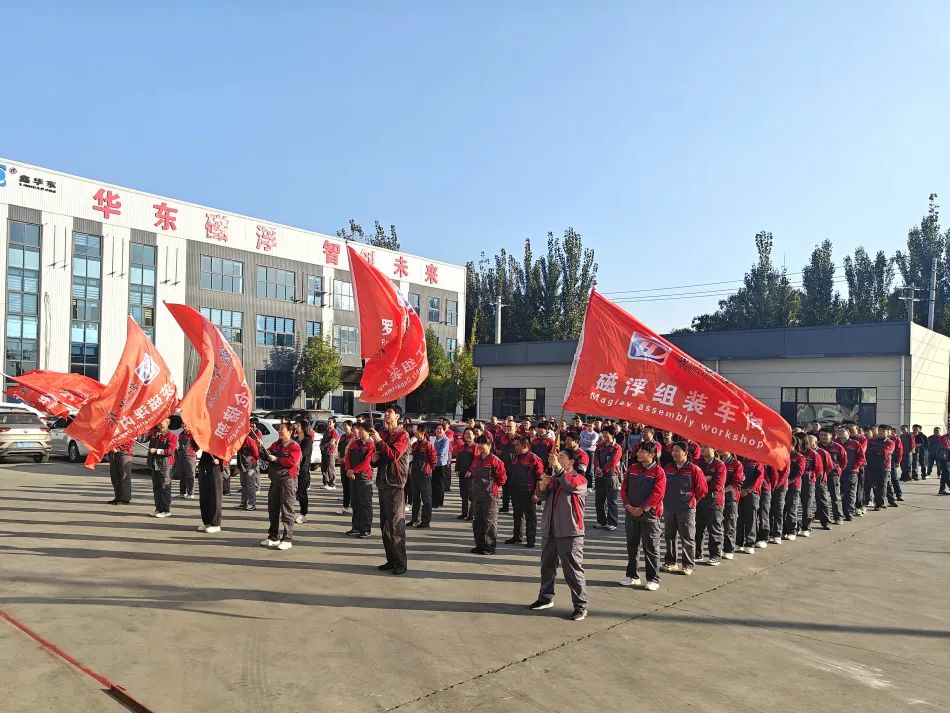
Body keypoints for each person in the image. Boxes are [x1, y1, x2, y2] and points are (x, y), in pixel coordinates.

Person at [529, 447, 589, 621]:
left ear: (571, 462)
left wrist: (558, 469)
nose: (556, 458)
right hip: (550, 529)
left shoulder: (579, 479)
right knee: (547, 566)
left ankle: (580, 605)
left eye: (561, 456)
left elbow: (570, 485)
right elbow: (540, 496)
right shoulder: (555, 478)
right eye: (556, 456)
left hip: (570, 531)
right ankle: (545, 597)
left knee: (573, 570)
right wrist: (542, 485)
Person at [620, 442, 667, 590]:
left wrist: (643, 508)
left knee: (651, 547)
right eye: (639, 450)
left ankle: (653, 578)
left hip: (649, 515)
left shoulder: (658, 472)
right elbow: (624, 488)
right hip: (631, 513)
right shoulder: (633, 469)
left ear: (652, 455)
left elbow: (658, 494)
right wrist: (627, 504)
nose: (638, 453)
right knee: (632, 546)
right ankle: (632, 576)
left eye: (642, 451)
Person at [372, 407, 410, 575]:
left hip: (395, 483)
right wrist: (374, 459)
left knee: (396, 525)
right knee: (385, 526)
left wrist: (379, 441)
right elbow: (381, 456)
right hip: (383, 482)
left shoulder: (403, 435)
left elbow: (394, 454)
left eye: (389, 412)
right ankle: (391, 559)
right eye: (385, 412)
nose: (386, 415)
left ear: (397, 416)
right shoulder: (385, 434)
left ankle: (401, 562)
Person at [661, 442, 707, 575]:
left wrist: (691, 500)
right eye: (673, 451)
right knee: (669, 536)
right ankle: (670, 562)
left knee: (687, 537)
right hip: (669, 507)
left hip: (686, 509)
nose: (674, 453)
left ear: (686, 453)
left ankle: (687, 564)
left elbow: (702, 489)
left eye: (678, 451)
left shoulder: (694, 469)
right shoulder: (668, 467)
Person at [260, 422, 301, 550]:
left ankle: (287, 538)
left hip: (288, 481)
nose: (279, 431)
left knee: (287, 509)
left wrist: (276, 459)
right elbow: (268, 455)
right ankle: (273, 536)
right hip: (275, 481)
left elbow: (292, 462)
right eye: (279, 429)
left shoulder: (294, 446)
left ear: (289, 432)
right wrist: (262, 450)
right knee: (272, 508)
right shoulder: (277, 445)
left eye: (282, 429)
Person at [469, 435, 507, 554]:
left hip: (490, 496)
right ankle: (480, 545)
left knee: (489, 522)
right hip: (477, 495)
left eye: (483, 443)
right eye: (478, 443)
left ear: (489, 446)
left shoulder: (495, 460)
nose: (480, 446)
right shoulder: (476, 459)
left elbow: (502, 478)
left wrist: (492, 487)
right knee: (477, 521)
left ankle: (490, 547)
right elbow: (473, 472)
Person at [505, 435, 544, 548]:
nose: (515, 447)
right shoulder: (515, 457)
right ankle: (517, 536)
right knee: (517, 514)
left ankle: (531, 539)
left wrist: (537, 493)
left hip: (529, 492)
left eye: (517, 445)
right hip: (515, 490)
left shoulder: (534, 459)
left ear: (525, 445)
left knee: (530, 516)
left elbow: (540, 477)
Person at [694, 445, 726, 565]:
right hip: (700, 499)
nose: (702, 450)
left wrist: (702, 481)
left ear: (714, 449)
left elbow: (718, 484)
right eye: (702, 447)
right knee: (698, 528)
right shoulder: (697, 463)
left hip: (714, 501)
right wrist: (707, 478)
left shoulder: (719, 465)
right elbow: (693, 479)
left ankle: (715, 555)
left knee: (714, 529)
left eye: (706, 447)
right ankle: (697, 553)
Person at [344, 421, 375, 537]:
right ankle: (356, 527)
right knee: (355, 503)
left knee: (365, 504)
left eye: (362, 429)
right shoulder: (354, 443)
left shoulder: (371, 445)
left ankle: (366, 528)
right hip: (353, 477)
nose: (359, 431)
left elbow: (367, 462)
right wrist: (348, 470)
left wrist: (354, 470)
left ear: (368, 431)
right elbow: (347, 457)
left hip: (364, 478)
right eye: (359, 429)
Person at [592, 426, 623, 531]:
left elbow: (613, 461)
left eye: (607, 433)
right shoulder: (600, 446)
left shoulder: (617, 447)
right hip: (599, 474)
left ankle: (612, 522)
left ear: (612, 434)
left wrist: (602, 469)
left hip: (611, 475)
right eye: (603, 433)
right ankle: (601, 521)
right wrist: (596, 467)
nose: (604, 435)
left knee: (611, 500)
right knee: (599, 500)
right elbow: (595, 457)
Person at [147, 418, 178, 518]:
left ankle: (165, 509)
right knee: (156, 487)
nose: (160, 422)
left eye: (162, 421)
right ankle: (158, 508)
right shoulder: (154, 433)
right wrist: (132, 436)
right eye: (159, 420)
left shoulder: (171, 435)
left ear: (167, 423)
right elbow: (143, 438)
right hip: (154, 463)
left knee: (164, 487)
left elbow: (170, 451)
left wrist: (156, 451)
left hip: (165, 465)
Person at [408, 424, 436, 528]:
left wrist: (428, 470)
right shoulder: (414, 444)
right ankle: (414, 519)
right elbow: (411, 457)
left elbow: (433, 460)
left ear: (422, 432)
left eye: (417, 431)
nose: (415, 432)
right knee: (415, 497)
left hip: (424, 475)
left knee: (426, 498)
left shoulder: (428, 445)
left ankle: (426, 521)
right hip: (415, 474)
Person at [718, 448, 743, 558]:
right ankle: (717, 549)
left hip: (730, 497)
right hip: (717, 498)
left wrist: (722, 491)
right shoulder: (716, 462)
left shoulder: (736, 464)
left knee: (729, 524)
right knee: (716, 525)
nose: (719, 449)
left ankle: (728, 550)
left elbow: (737, 482)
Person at [736, 456, 764, 553]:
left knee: (751, 518)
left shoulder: (758, 461)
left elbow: (759, 479)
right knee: (739, 518)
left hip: (752, 493)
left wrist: (748, 490)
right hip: (739, 492)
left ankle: (750, 543)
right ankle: (738, 543)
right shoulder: (739, 460)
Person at [819, 428, 846, 525]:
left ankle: (838, 517)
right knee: (821, 496)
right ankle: (821, 515)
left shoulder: (837, 447)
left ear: (831, 436)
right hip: (821, 474)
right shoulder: (817, 446)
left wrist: (838, 470)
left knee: (835, 496)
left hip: (833, 475)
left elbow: (843, 461)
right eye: (821, 435)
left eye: (826, 435)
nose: (823, 437)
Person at [837, 426, 865, 521]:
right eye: (839, 431)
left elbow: (861, 457)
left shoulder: (855, 443)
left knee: (850, 493)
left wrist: (855, 467)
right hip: (838, 472)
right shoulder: (835, 443)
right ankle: (840, 512)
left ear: (848, 433)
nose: (840, 433)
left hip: (850, 472)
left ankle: (848, 512)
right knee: (840, 493)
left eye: (843, 431)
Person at [865, 426, 896, 511]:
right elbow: (866, 450)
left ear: (888, 432)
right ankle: (866, 501)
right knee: (868, 485)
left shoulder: (890, 443)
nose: (881, 432)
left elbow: (885, 451)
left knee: (881, 486)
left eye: (883, 431)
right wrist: (877, 450)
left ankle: (879, 504)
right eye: (879, 430)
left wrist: (876, 450)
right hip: (871, 466)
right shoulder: (871, 441)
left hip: (883, 467)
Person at [783, 435, 807, 540]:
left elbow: (799, 472)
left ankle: (792, 530)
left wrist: (788, 481)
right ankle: (783, 530)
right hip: (781, 486)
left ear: (793, 445)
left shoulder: (799, 457)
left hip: (793, 486)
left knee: (791, 508)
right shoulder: (782, 455)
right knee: (782, 509)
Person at [196, 450, 224, 534]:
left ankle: (215, 524)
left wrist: (220, 461)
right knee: (204, 495)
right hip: (204, 464)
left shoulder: (220, 437)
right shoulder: (205, 438)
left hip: (215, 466)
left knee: (214, 496)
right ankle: (207, 522)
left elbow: (229, 450)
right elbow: (194, 447)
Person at [496, 420, 519, 513]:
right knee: (505, 488)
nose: (508, 428)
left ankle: (516, 507)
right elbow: (500, 451)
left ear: (516, 428)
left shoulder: (520, 439)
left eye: (511, 427)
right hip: (505, 467)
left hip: (515, 468)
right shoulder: (503, 438)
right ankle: (505, 507)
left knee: (514, 489)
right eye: (507, 426)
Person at [295, 420, 314, 524]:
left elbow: (301, 455)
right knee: (293, 493)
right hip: (295, 470)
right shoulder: (297, 439)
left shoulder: (307, 441)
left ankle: (303, 514)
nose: (295, 427)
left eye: (297, 425)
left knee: (302, 493)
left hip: (302, 471)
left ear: (302, 428)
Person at [237, 426, 261, 511]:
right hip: (242, 465)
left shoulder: (250, 440)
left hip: (249, 466)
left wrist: (253, 462)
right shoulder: (238, 441)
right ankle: (243, 502)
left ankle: (252, 504)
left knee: (250, 485)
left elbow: (256, 453)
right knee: (244, 485)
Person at [456, 428, 477, 521]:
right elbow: (458, 459)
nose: (467, 435)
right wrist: (457, 469)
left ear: (474, 436)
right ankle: (464, 513)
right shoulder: (461, 447)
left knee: (471, 495)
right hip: (462, 473)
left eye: (469, 434)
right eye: (466, 434)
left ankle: (471, 514)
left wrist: (471, 470)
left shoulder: (475, 447)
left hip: (471, 475)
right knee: (463, 494)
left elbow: (476, 461)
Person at [768, 457, 789, 544]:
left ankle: (777, 534)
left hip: (780, 487)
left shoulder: (784, 455)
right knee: (770, 511)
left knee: (778, 510)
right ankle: (770, 533)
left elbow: (785, 473)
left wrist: (777, 485)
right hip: (770, 486)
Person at [107, 440, 134, 505]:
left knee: (124, 476)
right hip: (112, 452)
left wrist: (118, 449)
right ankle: (118, 497)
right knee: (115, 476)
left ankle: (125, 499)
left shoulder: (127, 430)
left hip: (124, 453)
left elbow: (130, 441)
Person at [337, 420, 355, 515]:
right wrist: (339, 457)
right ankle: (345, 505)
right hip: (342, 463)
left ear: (351, 426)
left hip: (348, 463)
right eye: (343, 425)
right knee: (344, 484)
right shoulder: (343, 436)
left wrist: (344, 458)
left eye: (346, 425)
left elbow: (349, 450)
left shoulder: (353, 437)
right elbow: (339, 447)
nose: (344, 427)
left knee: (350, 485)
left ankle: (350, 505)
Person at [432, 424, 451, 509]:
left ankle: (439, 502)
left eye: (440, 429)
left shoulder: (446, 440)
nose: (438, 431)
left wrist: (433, 453)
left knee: (440, 484)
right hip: (434, 464)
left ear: (444, 430)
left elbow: (441, 452)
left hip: (442, 464)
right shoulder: (434, 439)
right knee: (433, 484)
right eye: (437, 429)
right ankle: (433, 501)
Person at [176, 426, 197, 499]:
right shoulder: (181, 434)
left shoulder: (193, 434)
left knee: (190, 474)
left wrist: (192, 450)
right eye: (182, 424)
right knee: (182, 474)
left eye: (186, 424)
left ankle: (190, 493)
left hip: (190, 456)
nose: (184, 425)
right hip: (181, 455)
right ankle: (182, 492)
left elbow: (197, 445)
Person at [885, 425, 903, 505]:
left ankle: (898, 494)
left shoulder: (896, 439)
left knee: (894, 478)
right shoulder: (883, 439)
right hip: (884, 461)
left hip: (892, 461)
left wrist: (898, 461)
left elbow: (899, 450)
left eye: (890, 431)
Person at [578, 422, 599, 487]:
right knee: (581, 467)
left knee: (590, 468)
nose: (589, 427)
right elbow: (579, 441)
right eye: (588, 426)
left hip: (591, 452)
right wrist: (587, 441)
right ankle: (581, 482)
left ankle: (589, 485)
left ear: (594, 426)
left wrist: (584, 440)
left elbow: (592, 443)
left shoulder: (595, 434)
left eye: (590, 426)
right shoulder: (583, 432)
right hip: (582, 451)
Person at [320, 417, 338, 490]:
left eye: (331, 422)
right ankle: (326, 483)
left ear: (334, 423)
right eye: (328, 421)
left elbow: (332, 442)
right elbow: (323, 440)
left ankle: (332, 484)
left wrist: (323, 446)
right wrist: (321, 445)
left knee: (331, 468)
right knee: (323, 468)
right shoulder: (326, 431)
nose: (329, 423)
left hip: (330, 452)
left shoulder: (334, 432)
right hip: (324, 452)